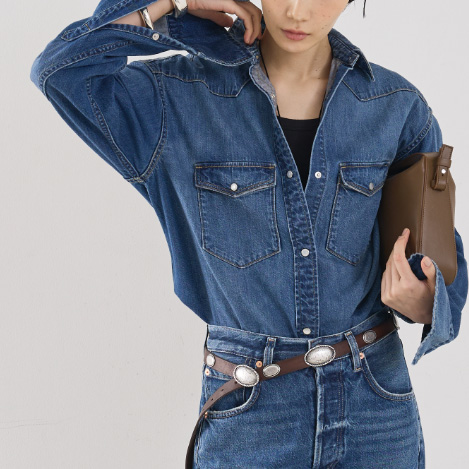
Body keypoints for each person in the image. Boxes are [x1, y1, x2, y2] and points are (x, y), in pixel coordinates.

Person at [30, 1, 468, 467]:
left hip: (376, 406)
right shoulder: (173, 97)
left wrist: (430, 302)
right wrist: (170, 5)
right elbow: (60, 71)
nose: (297, 11)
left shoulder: (396, 106)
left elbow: (440, 251)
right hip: (250, 409)